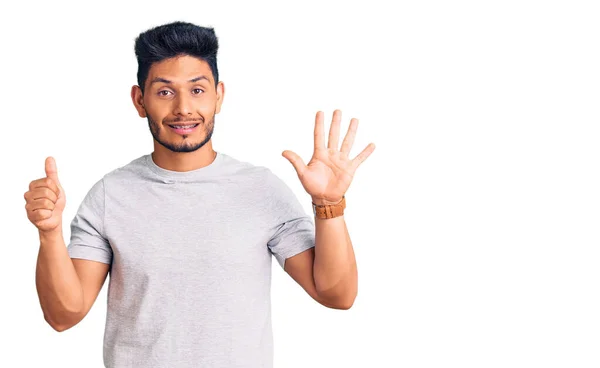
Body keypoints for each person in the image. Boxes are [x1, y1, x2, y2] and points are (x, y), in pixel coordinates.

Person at [25, 21, 375, 368]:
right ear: (139, 100)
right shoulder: (109, 195)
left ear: (218, 96)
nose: (183, 109)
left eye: (197, 90)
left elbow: (337, 295)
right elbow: (63, 316)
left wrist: (329, 205)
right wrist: (49, 232)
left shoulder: (260, 190)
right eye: (164, 91)